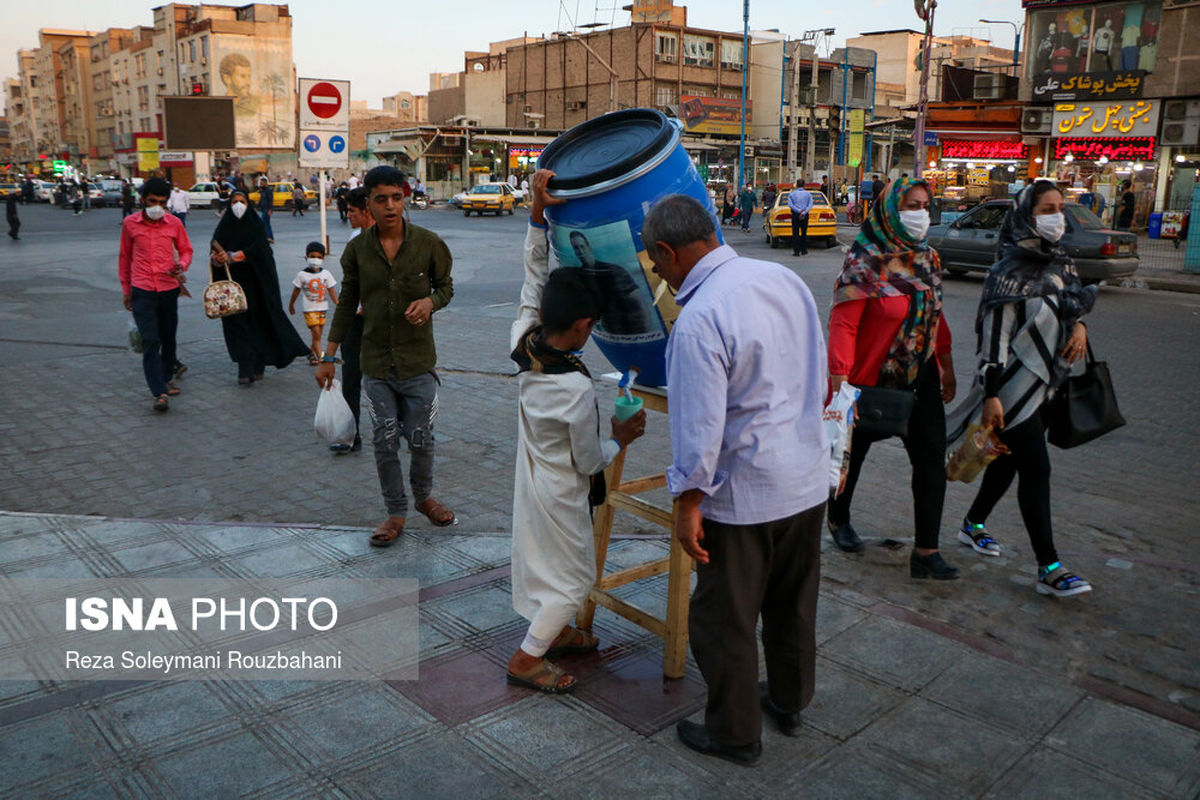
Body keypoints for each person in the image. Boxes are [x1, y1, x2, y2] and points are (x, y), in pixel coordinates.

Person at [641, 194, 827, 766]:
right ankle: (790, 700)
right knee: (794, 604)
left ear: (669, 253)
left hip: (745, 496)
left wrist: (686, 504)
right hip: (806, 480)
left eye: (657, 265)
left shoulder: (698, 318)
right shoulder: (781, 278)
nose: (661, 277)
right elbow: (817, 374)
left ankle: (735, 732)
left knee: (724, 619)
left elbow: (698, 432)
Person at [948, 180, 1098, 598]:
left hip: (1049, 383)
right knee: (1037, 468)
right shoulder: (1006, 270)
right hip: (1011, 387)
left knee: (1009, 462)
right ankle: (1048, 567)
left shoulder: (1062, 262)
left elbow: (1071, 305)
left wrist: (1081, 325)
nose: (1056, 217)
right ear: (1025, 215)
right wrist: (992, 392)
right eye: (1046, 209)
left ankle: (972, 524)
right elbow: (994, 336)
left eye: (1060, 208)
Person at [507, 267, 646, 694]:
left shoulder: (525, 342)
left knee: (545, 563)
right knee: (575, 578)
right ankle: (528, 656)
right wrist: (620, 440)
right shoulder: (574, 388)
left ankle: (558, 632)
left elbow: (529, 287)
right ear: (584, 326)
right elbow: (588, 461)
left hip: (532, 481)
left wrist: (536, 226)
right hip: (563, 492)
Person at [315, 166, 457, 545]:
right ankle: (395, 513)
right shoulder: (358, 250)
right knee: (385, 439)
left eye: (396, 197)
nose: (390, 205)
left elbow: (446, 287)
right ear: (369, 204)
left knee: (422, 437)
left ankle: (424, 497)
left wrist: (430, 301)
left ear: (405, 197)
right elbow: (346, 303)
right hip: (375, 363)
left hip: (418, 363)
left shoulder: (429, 244)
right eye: (381, 199)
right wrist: (328, 355)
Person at [825, 177, 959, 579]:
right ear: (889, 211)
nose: (919, 214)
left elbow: (936, 313)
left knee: (931, 461)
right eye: (910, 206)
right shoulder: (864, 262)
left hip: (921, 377)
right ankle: (838, 517)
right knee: (855, 455)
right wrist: (839, 383)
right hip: (870, 380)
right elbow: (843, 324)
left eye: (923, 205)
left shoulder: (927, 259)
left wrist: (947, 364)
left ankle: (926, 551)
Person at [210, 190, 309, 385]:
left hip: (256, 286)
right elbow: (213, 253)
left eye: (242, 201)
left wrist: (238, 255)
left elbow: (261, 250)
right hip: (232, 289)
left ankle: (258, 364)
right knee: (238, 326)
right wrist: (219, 259)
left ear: (248, 204)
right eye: (235, 202)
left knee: (257, 324)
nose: (238, 205)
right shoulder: (224, 228)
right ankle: (244, 368)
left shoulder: (256, 225)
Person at [119, 177, 193, 412]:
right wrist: (126, 291)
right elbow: (125, 258)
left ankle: (167, 374)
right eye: (153, 201)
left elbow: (186, 250)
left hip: (168, 288)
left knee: (168, 336)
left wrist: (181, 265)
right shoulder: (130, 224)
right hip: (141, 289)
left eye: (162, 203)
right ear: (142, 200)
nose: (157, 207)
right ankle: (159, 391)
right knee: (151, 340)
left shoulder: (173, 224)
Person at [330, 187, 374, 454]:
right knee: (350, 377)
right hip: (355, 319)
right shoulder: (354, 238)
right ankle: (350, 433)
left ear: (367, 210)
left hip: (382, 320)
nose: (348, 215)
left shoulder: (388, 239)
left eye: (352, 211)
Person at [567, 230, 653, 336]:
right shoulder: (581, 276)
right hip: (610, 334)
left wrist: (646, 334)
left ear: (589, 247)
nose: (580, 251)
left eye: (582, 246)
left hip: (632, 331)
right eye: (576, 248)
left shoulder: (615, 272)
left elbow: (639, 304)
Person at [289, 242, 339, 365]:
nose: (315, 260)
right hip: (309, 310)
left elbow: (331, 290)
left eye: (319, 257)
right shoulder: (302, 275)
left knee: (318, 336)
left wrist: (338, 304)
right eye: (312, 256)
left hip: (322, 309)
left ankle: (312, 353)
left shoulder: (326, 274)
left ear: (323, 258)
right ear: (306, 257)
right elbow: (296, 291)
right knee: (316, 333)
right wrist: (291, 305)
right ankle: (322, 359)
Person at [788, 182, 813, 256]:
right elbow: (810, 204)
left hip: (795, 214)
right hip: (805, 215)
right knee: (804, 232)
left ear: (797, 185)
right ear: (804, 185)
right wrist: (804, 212)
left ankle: (796, 251)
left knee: (795, 233)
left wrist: (798, 211)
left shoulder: (792, 194)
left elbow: (790, 205)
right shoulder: (808, 194)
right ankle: (803, 250)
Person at [256, 177, 275, 243]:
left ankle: (269, 237)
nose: (261, 184)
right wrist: (256, 206)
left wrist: (270, 209)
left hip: (267, 209)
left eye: (262, 183)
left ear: (265, 183)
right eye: (260, 183)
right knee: (266, 223)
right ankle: (268, 237)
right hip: (263, 209)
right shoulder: (263, 191)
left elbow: (270, 200)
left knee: (265, 224)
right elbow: (261, 200)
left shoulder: (268, 191)